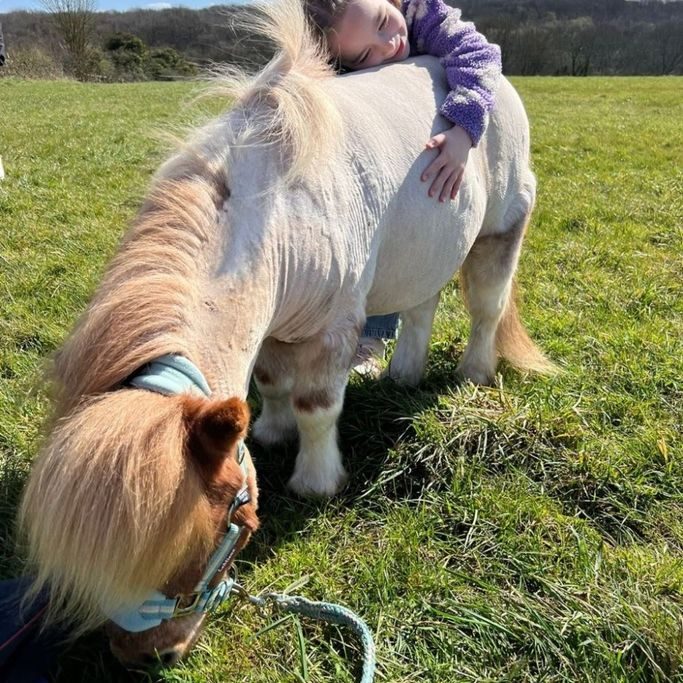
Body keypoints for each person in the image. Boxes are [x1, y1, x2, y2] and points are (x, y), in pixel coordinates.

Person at [304, 0, 502, 375]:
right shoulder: (339, 57)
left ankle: (372, 337)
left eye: (383, 22)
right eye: (365, 54)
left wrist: (464, 128)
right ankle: (355, 329)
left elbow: (479, 54)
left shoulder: (422, 15)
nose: (389, 45)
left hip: (431, 124)